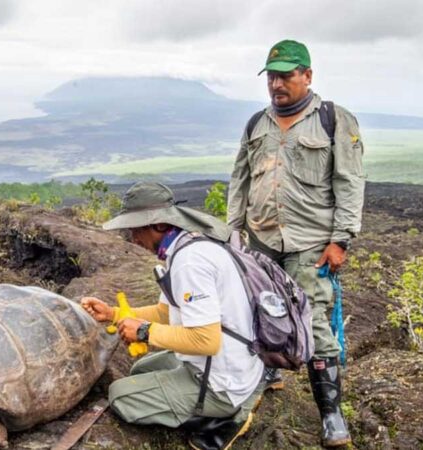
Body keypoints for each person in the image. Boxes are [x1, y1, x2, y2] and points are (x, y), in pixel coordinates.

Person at [227, 39, 364, 448]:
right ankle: (267, 376)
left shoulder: (333, 120)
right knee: (259, 311)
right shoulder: (257, 124)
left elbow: (350, 182)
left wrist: (341, 240)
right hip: (262, 236)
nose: (277, 84)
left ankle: (331, 414)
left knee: (315, 321)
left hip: (310, 242)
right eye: (271, 76)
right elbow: (241, 179)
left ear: (307, 75)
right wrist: (233, 232)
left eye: (286, 75)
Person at [81, 181, 265, 450]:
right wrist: (113, 313)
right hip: (231, 360)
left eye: (136, 228)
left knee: (120, 397)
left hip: (222, 380)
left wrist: (144, 332)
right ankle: (235, 396)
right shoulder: (184, 249)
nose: (134, 238)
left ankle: (227, 417)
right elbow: (164, 313)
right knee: (140, 370)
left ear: (158, 225)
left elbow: (206, 340)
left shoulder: (189, 263)